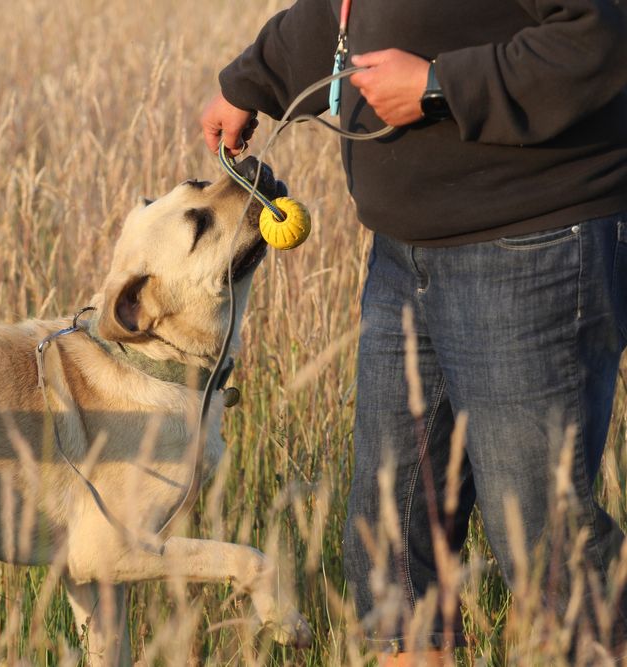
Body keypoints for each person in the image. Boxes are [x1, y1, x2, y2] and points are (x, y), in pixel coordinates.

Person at [200, 1, 627, 663]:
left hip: (530, 244)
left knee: (547, 556)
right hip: (402, 252)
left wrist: (437, 85)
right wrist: (250, 81)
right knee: (388, 557)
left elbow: (599, 35)